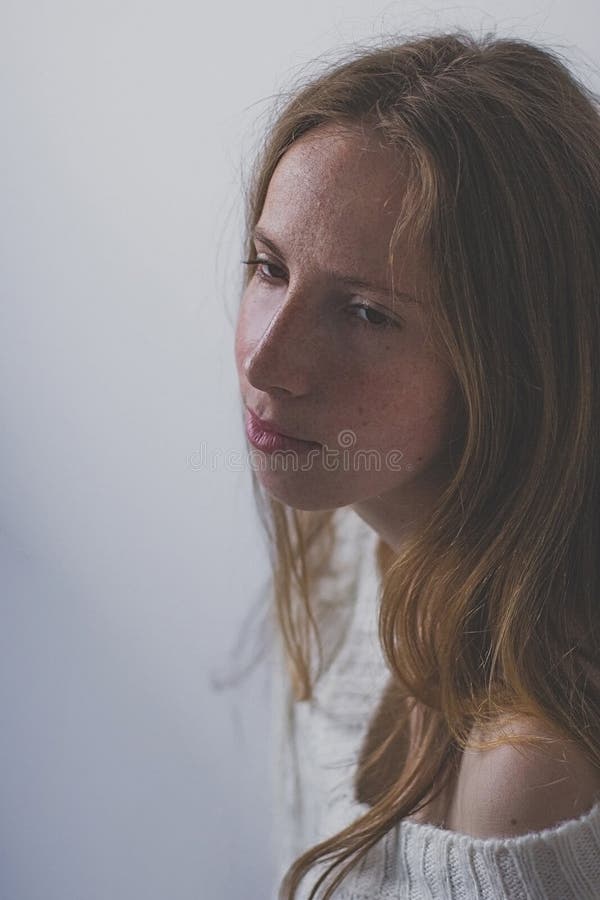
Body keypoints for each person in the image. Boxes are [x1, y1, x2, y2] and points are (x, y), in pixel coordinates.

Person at [233, 28, 600, 900]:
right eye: (270, 268)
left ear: (516, 359)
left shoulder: (526, 774)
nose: (267, 362)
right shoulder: (355, 534)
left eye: (364, 313)